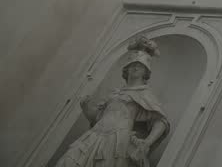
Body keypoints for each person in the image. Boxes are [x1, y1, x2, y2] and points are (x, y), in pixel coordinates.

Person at [56, 38, 170, 167]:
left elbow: (161, 121)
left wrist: (147, 142)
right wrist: (86, 107)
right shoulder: (115, 93)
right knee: (67, 161)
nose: (135, 68)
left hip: (116, 140)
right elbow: (97, 118)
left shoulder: (144, 94)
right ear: (126, 70)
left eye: (139, 66)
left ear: (146, 72)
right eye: (132, 65)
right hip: (95, 135)